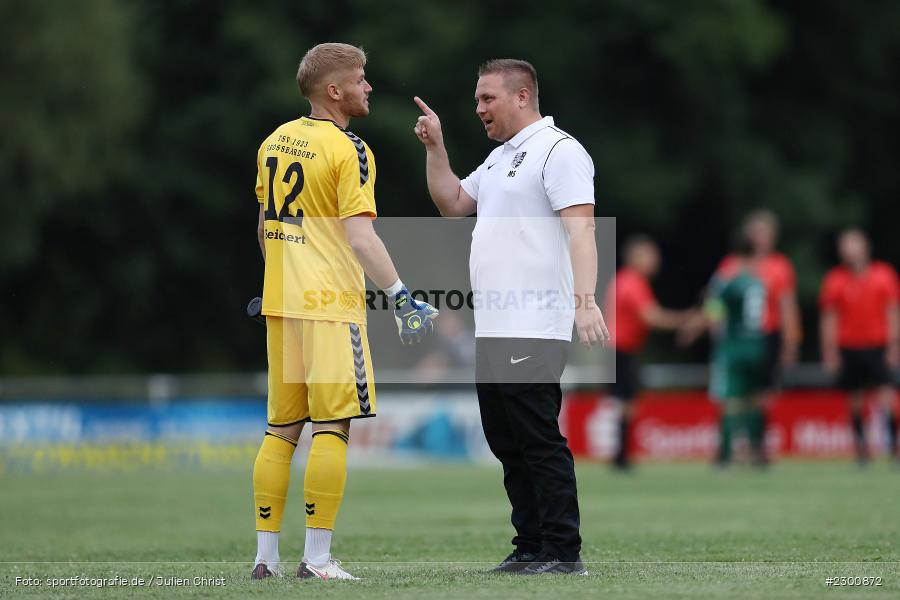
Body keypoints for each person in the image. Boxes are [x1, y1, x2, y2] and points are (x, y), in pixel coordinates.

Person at [413, 58, 608, 576]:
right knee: (506, 440)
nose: (478, 108)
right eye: (477, 100)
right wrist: (436, 149)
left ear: (521, 97)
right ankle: (531, 545)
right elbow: (453, 202)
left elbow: (582, 230)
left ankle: (563, 551)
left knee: (537, 438)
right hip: (495, 324)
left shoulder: (560, 151)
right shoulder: (500, 158)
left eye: (487, 98)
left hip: (534, 322)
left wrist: (585, 301)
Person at [251, 43, 438, 581]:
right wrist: (400, 296)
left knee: (281, 430)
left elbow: (266, 230)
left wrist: (283, 280)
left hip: (281, 305)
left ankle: (266, 560)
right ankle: (316, 560)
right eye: (360, 79)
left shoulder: (274, 140)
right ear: (334, 90)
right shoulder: (349, 148)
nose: (368, 87)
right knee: (332, 427)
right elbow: (361, 237)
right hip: (331, 308)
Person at [714, 210, 801, 459]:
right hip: (735, 338)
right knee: (733, 395)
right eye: (757, 233)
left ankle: (756, 447)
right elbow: (717, 305)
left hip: (767, 336)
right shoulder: (731, 265)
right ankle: (729, 449)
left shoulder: (779, 266)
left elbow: (787, 305)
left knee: (761, 395)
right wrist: (717, 335)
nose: (761, 238)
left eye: (766, 233)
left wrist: (791, 341)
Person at [604, 235, 695, 470]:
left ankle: (621, 456)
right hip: (621, 348)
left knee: (626, 401)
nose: (655, 260)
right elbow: (652, 317)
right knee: (625, 402)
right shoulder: (632, 282)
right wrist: (686, 319)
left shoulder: (624, 280)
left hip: (620, 348)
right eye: (649, 255)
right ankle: (620, 458)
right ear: (634, 257)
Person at [682, 238, 769, 466]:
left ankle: (726, 455)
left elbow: (714, 311)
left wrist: (693, 330)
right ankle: (757, 453)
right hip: (757, 346)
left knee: (730, 400)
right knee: (755, 399)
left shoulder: (729, 279)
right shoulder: (758, 281)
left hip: (734, 347)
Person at [819, 229, 899, 466]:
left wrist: (894, 345)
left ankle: (894, 449)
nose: (848, 251)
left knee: (887, 398)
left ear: (865, 248)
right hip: (849, 347)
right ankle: (862, 452)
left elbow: (892, 312)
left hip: (878, 345)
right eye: (844, 247)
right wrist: (830, 351)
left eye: (852, 245)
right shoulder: (835, 280)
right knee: (854, 401)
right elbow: (829, 317)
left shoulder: (884, 275)